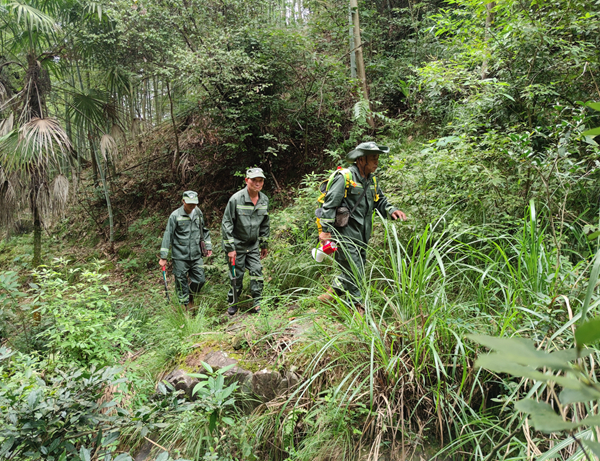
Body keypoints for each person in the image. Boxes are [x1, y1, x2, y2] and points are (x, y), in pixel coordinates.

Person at [317, 142, 407, 311]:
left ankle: (329, 296)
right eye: (373, 158)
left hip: (363, 234)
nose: (376, 162)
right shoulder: (345, 177)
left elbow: (380, 201)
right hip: (345, 234)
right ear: (360, 160)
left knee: (354, 270)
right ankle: (358, 309)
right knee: (356, 271)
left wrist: (392, 210)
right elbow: (329, 205)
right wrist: (326, 232)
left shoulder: (371, 180)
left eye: (377, 158)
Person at [221, 168, 270, 316]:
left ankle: (257, 303)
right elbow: (226, 224)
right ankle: (233, 302)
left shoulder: (264, 200)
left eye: (260, 180)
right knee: (237, 276)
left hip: (253, 245)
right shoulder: (236, 199)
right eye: (254, 180)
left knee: (257, 272)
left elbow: (265, 224)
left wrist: (264, 244)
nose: (257, 183)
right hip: (237, 246)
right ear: (246, 180)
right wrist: (230, 248)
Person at [159, 190, 213, 308]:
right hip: (180, 256)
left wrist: (208, 246)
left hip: (196, 254)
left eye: (194, 203)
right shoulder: (175, 215)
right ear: (183, 201)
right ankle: (185, 308)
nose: (192, 206)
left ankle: (190, 296)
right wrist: (163, 256)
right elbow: (168, 235)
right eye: (189, 204)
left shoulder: (198, 213)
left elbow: (204, 230)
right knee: (180, 281)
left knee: (200, 280)